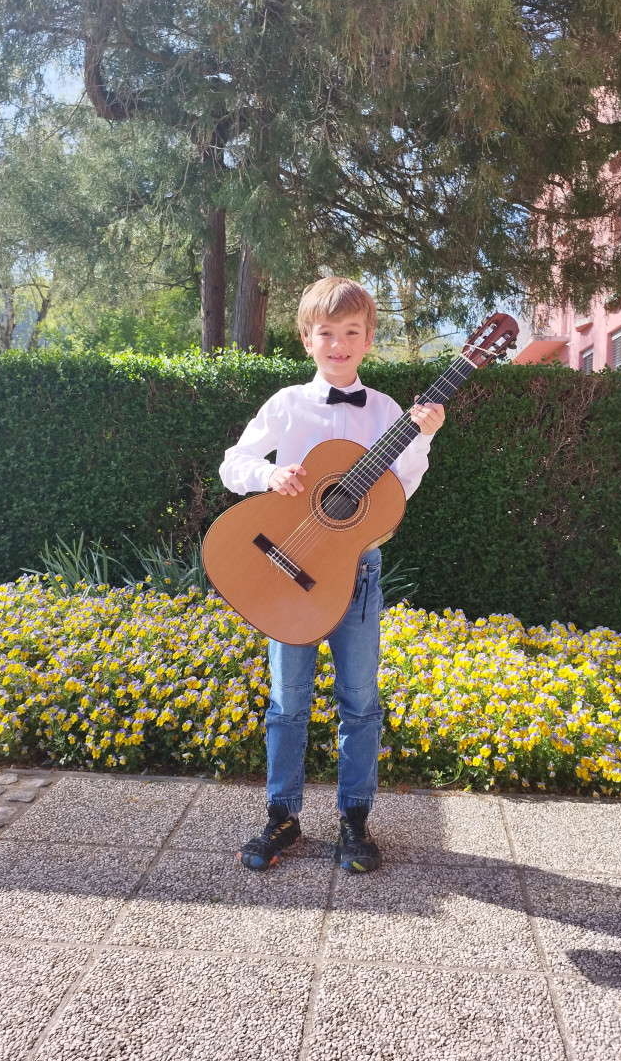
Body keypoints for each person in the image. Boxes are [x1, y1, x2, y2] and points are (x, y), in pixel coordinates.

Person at [219, 276, 445, 874]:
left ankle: (354, 820)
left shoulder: (388, 412)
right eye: (327, 333)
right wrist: (269, 476)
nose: (339, 344)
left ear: (368, 340)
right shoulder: (286, 404)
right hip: (285, 569)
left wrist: (421, 440)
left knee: (360, 701)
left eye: (351, 332)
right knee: (287, 701)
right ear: (306, 339)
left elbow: (397, 492)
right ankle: (282, 816)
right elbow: (233, 464)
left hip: (356, 575)